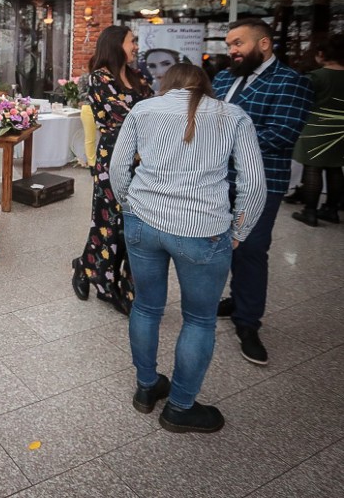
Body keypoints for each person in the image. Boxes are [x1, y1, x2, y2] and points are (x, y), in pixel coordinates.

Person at [111, 64, 266, 433]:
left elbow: (116, 169)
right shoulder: (233, 116)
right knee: (199, 319)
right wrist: (240, 231)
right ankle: (180, 407)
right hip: (203, 231)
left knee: (147, 307)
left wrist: (129, 207)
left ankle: (147, 388)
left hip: (143, 223)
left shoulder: (144, 109)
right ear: (205, 86)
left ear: (168, 84)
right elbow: (255, 185)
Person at [212, 18, 314, 365]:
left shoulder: (290, 81)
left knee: (251, 248)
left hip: (259, 182)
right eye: (229, 45)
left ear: (265, 44)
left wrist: (224, 145)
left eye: (238, 43)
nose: (232, 51)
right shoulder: (224, 78)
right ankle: (234, 299)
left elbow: (282, 133)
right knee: (217, 244)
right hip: (214, 179)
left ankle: (248, 322)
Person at [71, 25, 153, 314]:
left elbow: (153, 110)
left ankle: (85, 266)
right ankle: (104, 284)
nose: (136, 46)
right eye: (133, 41)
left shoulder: (138, 77)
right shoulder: (98, 78)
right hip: (113, 158)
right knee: (109, 222)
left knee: (129, 224)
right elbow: (124, 115)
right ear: (117, 43)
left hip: (143, 161)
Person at [291, 35, 344, 226]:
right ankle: (332, 210)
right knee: (335, 168)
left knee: (312, 168)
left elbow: (300, 102)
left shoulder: (315, 77)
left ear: (322, 54)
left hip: (315, 127)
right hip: (341, 129)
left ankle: (310, 211)